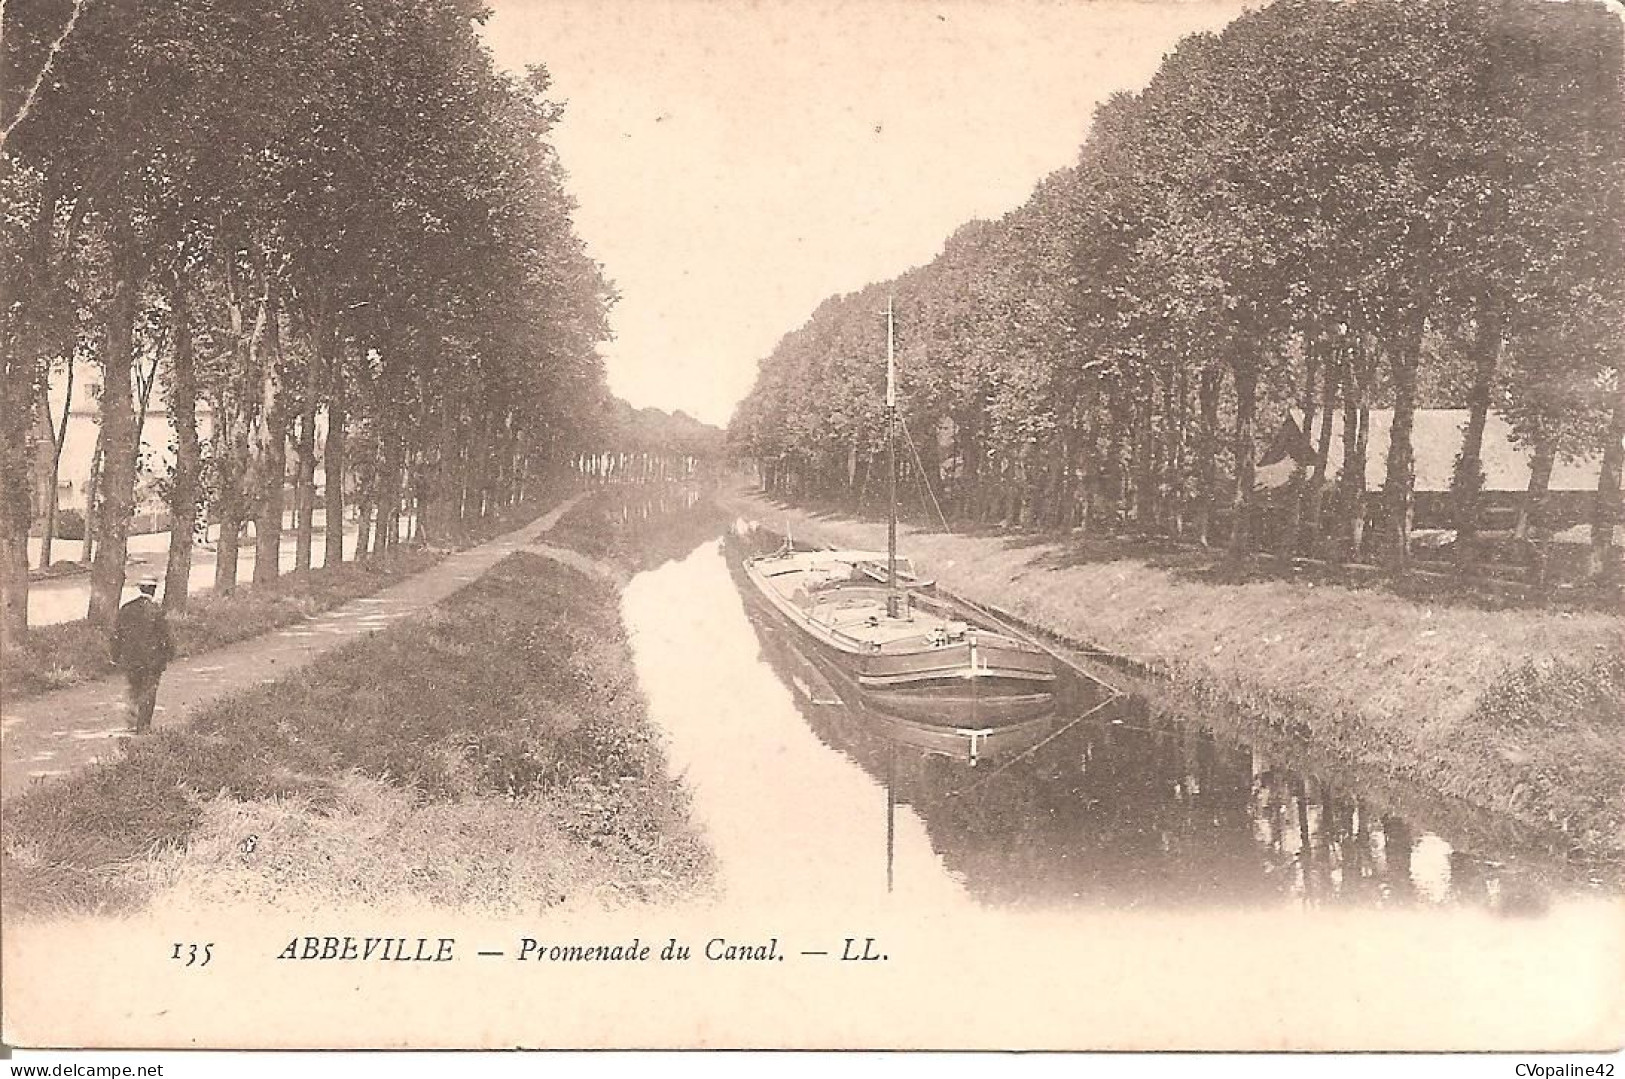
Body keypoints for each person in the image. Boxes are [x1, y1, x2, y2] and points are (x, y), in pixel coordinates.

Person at [111, 575, 174, 734]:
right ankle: (143, 726)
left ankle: (131, 722)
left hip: (131, 658)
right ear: (154, 590)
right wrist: (169, 654)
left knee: (133, 688)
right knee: (149, 690)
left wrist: (115, 655)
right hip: (152, 660)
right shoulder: (157, 610)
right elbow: (165, 636)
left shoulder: (126, 608)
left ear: (140, 589)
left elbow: (117, 634)